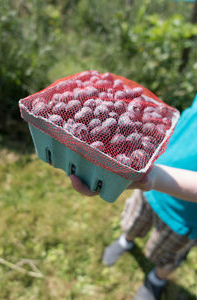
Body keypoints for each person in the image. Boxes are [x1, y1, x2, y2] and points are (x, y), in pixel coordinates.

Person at [69, 94, 197, 300]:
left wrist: (154, 177)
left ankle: (156, 279)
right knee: (133, 221)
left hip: (187, 216)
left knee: (166, 254)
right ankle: (126, 240)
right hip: (153, 182)